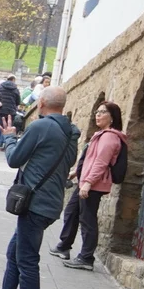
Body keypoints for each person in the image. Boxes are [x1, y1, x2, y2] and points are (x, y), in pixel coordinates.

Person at [0, 86, 79, 289]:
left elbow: (14, 158)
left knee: (26, 258)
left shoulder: (40, 126)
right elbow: (68, 161)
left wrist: (9, 137)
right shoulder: (71, 131)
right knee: (15, 251)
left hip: (35, 202)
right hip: (50, 202)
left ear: (42, 102)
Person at [50, 102, 127, 271]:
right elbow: (90, 160)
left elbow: (101, 162)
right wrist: (76, 173)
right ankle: (64, 246)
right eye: (97, 111)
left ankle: (86, 257)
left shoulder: (110, 137)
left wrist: (89, 182)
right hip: (86, 182)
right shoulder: (100, 135)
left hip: (93, 185)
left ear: (112, 117)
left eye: (103, 112)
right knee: (71, 212)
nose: (97, 115)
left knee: (87, 220)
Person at [0, 75, 21, 150]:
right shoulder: (15, 89)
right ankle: (3, 145)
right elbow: (18, 101)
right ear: (13, 80)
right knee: (8, 127)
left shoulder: (0, 87)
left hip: (1, 109)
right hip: (11, 111)